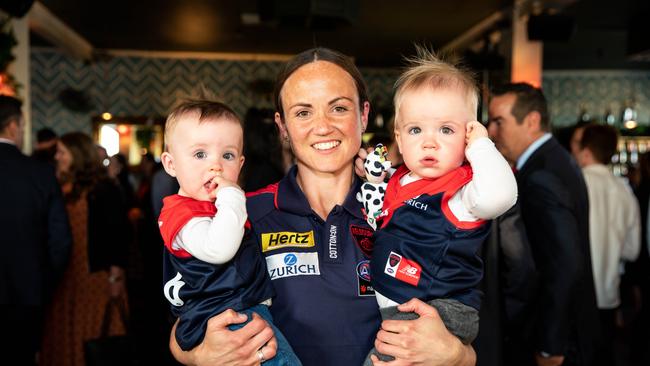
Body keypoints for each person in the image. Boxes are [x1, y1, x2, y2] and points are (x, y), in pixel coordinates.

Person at [169, 47, 477, 366]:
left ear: (364, 115)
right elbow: (187, 317)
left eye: (339, 108)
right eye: (303, 112)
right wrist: (199, 355)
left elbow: (467, 321)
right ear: (283, 126)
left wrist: (455, 354)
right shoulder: (242, 214)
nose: (323, 126)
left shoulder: (415, 209)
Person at [358, 49, 517, 365]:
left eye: (446, 130)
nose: (430, 142)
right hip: (401, 303)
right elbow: (384, 203)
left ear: (467, 137)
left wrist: (482, 146)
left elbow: (501, 196)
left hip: (440, 309)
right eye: (416, 130)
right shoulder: (401, 178)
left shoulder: (462, 193)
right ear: (399, 140)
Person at [158, 98, 301, 365]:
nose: (216, 166)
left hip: (240, 311)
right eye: (200, 154)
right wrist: (233, 196)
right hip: (231, 317)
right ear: (170, 164)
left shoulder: (212, 208)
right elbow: (219, 249)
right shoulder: (183, 214)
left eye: (228, 155)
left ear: (241, 162)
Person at [488, 82, 603, 366]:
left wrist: (550, 345)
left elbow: (564, 264)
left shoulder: (542, 174)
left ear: (532, 121)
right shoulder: (552, 160)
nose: (490, 132)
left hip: (554, 339)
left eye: (498, 122)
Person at [40, 132, 131, 366]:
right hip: (64, 274)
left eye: (62, 152)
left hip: (94, 276)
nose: (57, 157)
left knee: (92, 334)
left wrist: (115, 276)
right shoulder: (59, 185)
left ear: (77, 155)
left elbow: (118, 235)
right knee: (62, 330)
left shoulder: (102, 189)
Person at [0, 96, 72, 366]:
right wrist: (43, 283)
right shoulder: (39, 173)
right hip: (27, 293)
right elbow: (61, 242)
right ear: (13, 126)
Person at [571, 123, 640, 363]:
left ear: (585, 151)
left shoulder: (573, 184)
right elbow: (632, 251)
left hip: (576, 297)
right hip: (609, 296)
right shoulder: (625, 191)